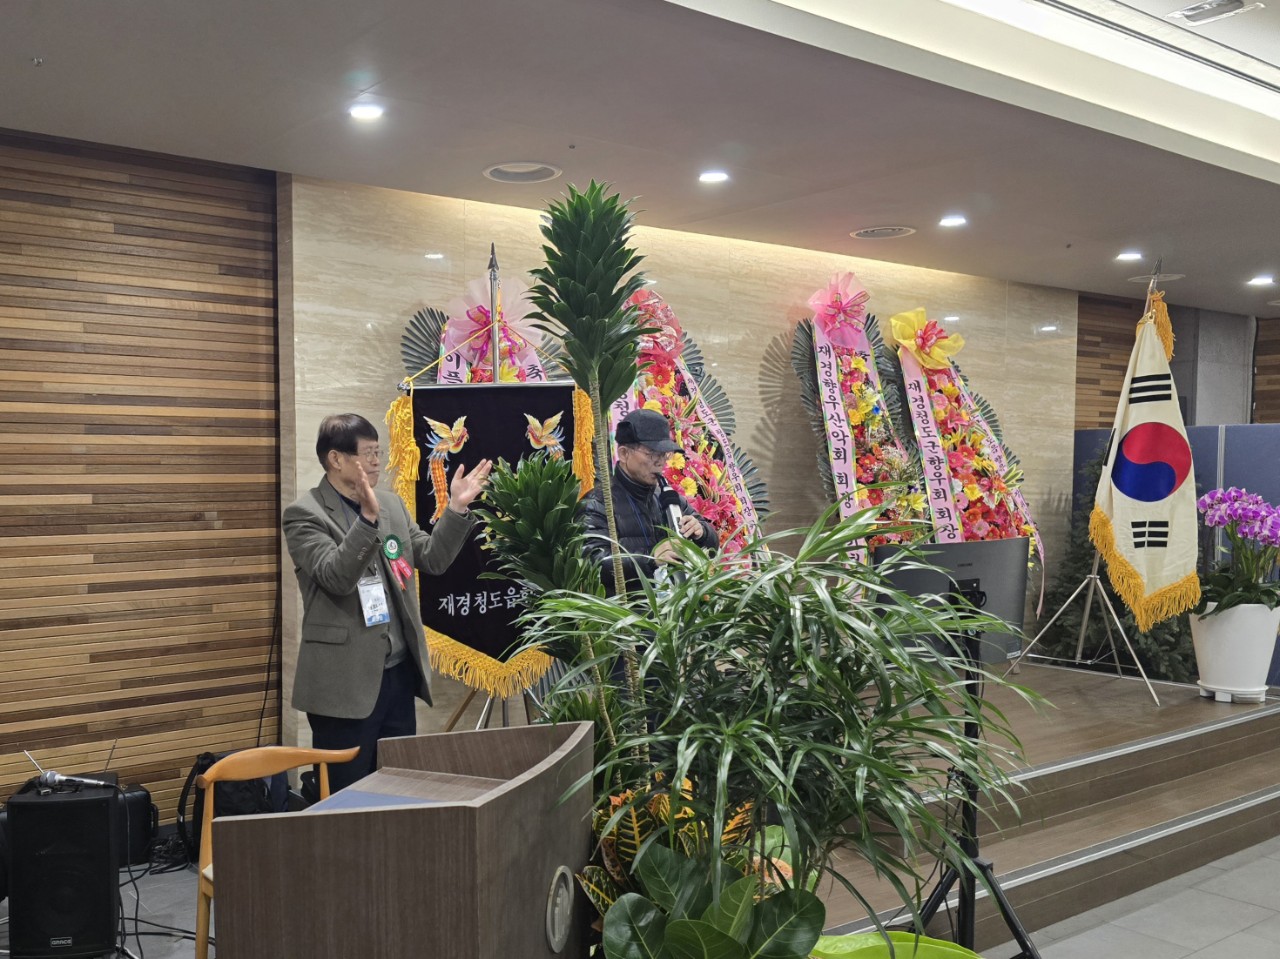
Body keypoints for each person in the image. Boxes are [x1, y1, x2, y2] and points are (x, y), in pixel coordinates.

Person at [284, 413, 491, 792]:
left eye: (379, 452)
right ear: (336, 459)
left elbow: (433, 558)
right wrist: (366, 521)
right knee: (347, 797)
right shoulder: (305, 514)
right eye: (368, 453)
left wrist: (456, 509)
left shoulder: (391, 505)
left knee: (397, 788)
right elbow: (335, 576)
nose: (377, 461)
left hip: (397, 675)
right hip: (344, 684)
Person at [580, 408, 716, 594]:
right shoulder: (597, 502)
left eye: (665, 454)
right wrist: (650, 559)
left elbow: (712, 543)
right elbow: (592, 562)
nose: (660, 462)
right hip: (625, 608)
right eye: (652, 453)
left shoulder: (667, 497)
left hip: (673, 605)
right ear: (624, 453)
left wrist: (702, 533)